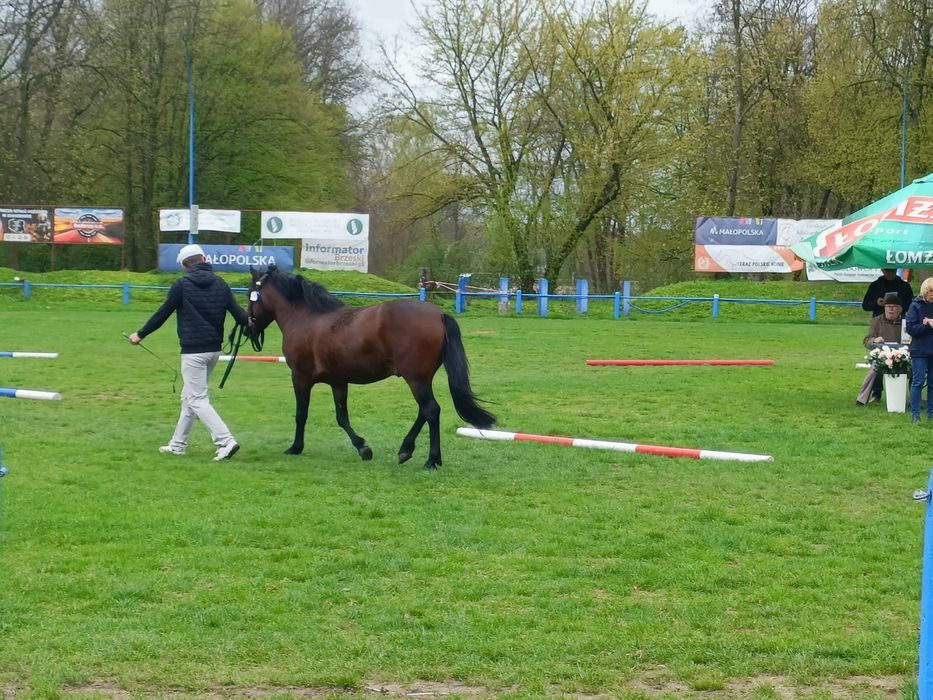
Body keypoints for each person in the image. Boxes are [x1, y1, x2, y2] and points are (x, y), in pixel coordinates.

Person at [128, 244, 247, 459]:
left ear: (184, 265)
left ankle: (225, 441)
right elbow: (241, 316)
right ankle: (178, 445)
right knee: (189, 397)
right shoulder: (221, 284)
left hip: (193, 352)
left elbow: (162, 314)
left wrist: (140, 334)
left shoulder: (181, 285)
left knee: (197, 399)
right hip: (214, 351)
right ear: (203, 258)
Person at [856, 292, 904, 405]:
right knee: (874, 368)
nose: (891, 309)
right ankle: (863, 399)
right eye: (888, 307)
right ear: (884, 308)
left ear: (900, 309)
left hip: (902, 357)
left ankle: (913, 399)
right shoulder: (876, 321)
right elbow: (867, 341)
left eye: (894, 307)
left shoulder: (905, 323)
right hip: (882, 356)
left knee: (915, 368)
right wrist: (874, 340)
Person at [906, 278, 933, 423]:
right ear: (925, 291)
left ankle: (931, 414)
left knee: (932, 384)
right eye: (930, 291)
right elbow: (911, 329)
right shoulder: (915, 306)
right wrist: (928, 326)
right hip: (919, 350)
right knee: (918, 382)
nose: (932, 294)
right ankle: (915, 414)